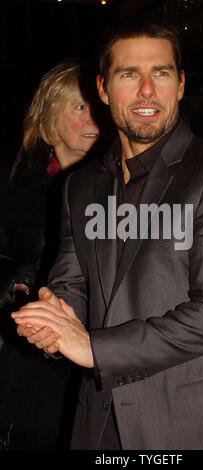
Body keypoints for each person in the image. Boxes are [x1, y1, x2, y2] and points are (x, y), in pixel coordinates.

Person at [12, 19, 203, 450]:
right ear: (104, 89)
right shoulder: (82, 184)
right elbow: (72, 284)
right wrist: (54, 323)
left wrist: (96, 349)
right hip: (97, 421)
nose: (147, 90)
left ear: (181, 85)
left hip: (193, 423)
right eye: (129, 74)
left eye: (161, 73)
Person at [0, 59, 101, 450]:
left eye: (99, 105)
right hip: (30, 374)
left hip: (103, 364)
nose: (94, 117)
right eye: (80, 106)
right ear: (47, 121)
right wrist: (19, 284)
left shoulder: (126, 187)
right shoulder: (13, 187)